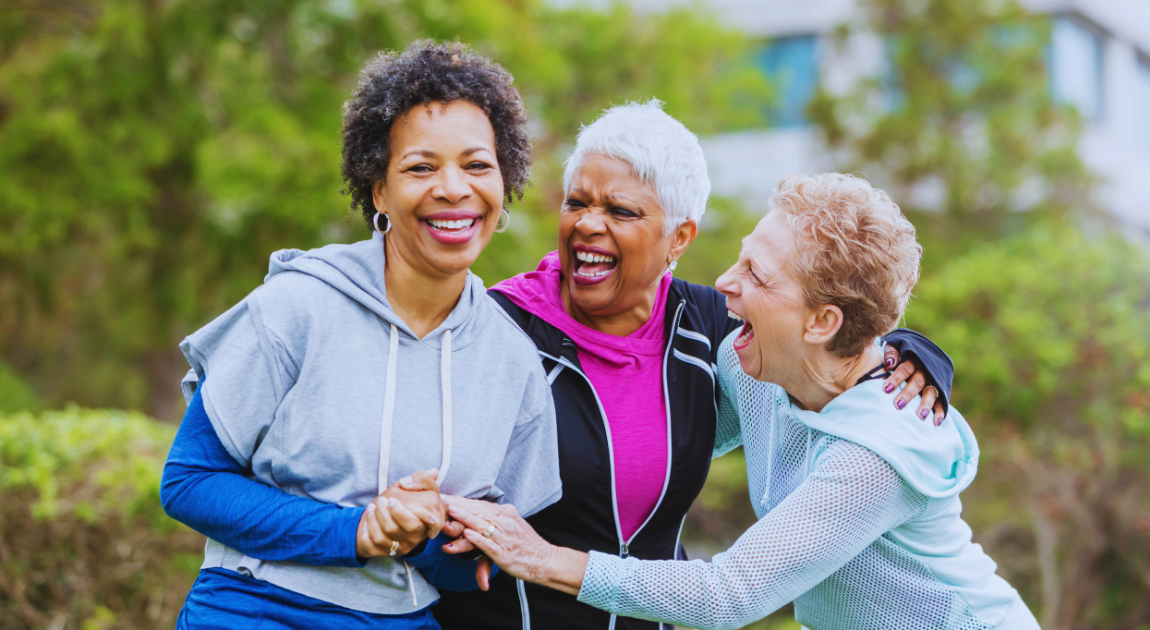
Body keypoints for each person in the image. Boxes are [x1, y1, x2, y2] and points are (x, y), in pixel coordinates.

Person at [433, 103, 955, 630]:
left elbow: (730, 593)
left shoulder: (716, 334)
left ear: (680, 237)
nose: (588, 223)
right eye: (576, 202)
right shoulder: (493, 328)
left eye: (621, 211)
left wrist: (911, 350)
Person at [159, 41, 561, 629]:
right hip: (252, 611)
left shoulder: (513, 363)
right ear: (379, 192)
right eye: (421, 167)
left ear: (505, 182)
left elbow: (473, 569)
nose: (454, 189)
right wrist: (359, 530)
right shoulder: (295, 307)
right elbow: (189, 481)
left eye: (477, 165)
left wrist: (423, 535)